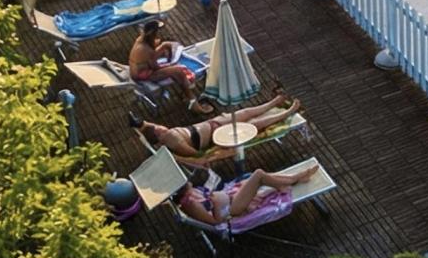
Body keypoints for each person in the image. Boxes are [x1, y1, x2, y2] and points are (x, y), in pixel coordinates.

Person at [130, 96, 304, 166]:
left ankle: (273, 102)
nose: (162, 127)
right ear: (160, 138)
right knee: (254, 124)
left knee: (245, 113)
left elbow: (146, 127)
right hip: (219, 136)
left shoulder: (160, 134)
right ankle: (288, 112)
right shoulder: (172, 141)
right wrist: (220, 153)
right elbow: (197, 156)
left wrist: (138, 125)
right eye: (160, 130)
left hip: (213, 123)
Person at [177, 161, 323, 226]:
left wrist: (206, 170)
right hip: (232, 209)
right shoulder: (191, 204)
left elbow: (209, 191)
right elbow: (216, 222)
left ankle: (294, 178)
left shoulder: (190, 192)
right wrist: (215, 205)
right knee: (259, 175)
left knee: (262, 177)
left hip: (230, 196)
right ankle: (295, 178)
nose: (188, 178)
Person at [127, 21, 203, 110]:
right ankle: (191, 99)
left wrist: (165, 52)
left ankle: (186, 89)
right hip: (143, 74)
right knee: (178, 71)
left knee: (166, 45)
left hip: (141, 67)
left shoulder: (141, 39)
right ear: (153, 33)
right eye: (158, 31)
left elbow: (149, 56)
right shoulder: (146, 49)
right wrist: (169, 67)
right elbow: (155, 67)